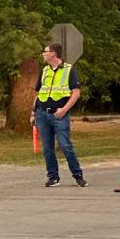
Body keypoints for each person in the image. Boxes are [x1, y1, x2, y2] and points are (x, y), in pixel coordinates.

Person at [31, 43, 86, 187]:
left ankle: (78, 175)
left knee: (65, 145)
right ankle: (53, 177)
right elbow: (38, 93)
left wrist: (64, 109)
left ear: (54, 53)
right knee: (47, 148)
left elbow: (76, 93)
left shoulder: (68, 70)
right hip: (42, 114)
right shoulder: (45, 71)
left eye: (45, 51)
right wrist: (33, 112)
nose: (43, 54)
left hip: (59, 114)